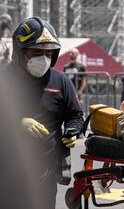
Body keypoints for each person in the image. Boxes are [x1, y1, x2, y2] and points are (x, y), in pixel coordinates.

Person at [3, 16, 84, 208]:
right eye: (36, 52)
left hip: (44, 173)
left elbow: (75, 115)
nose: (43, 58)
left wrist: (73, 131)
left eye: (48, 54)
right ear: (20, 52)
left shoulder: (61, 82)